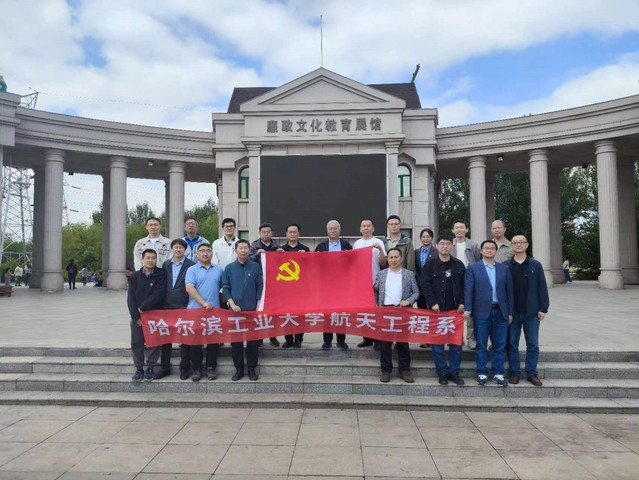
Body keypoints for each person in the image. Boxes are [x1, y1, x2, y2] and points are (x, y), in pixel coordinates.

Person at [463, 240, 514, 387]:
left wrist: (510, 312)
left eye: (492, 248)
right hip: (481, 312)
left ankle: (498, 373)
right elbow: (469, 289)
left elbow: (510, 291)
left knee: (499, 345)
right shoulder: (473, 268)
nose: (489, 250)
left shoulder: (504, 269)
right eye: (486, 248)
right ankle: (482, 372)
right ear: (481, 251)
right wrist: (468, 309)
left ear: (496, 251)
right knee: (481, 344)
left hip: (501, 311)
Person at [419, 234, 466, 386]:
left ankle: (454, 372)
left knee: (456, 345)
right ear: (437, 246)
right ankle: (442, 373)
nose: (445, 246)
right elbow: (425, 284)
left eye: (447, 244)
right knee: (438, 345)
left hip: (454, 312)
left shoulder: (459, 265)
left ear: (452, 246)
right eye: (442, 244)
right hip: (436, 312)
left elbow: (465, 286)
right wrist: (432, 302)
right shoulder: (430, 265)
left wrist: (462, 303)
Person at [507, 235, 550, 387]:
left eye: (521, 242)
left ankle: (532, 373)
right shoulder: (506, 266)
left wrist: (543, 308)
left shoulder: (535, 265)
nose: (518, 245)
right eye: (515, 242)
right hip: (513, 313)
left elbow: (542, 287)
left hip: (531, 312)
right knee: (512, 344)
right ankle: (514, 372)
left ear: (527, 245)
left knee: (533, 344)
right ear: (512, 246)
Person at [374, 248, 420, 383]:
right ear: (387, 259)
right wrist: (376, 303)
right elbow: (375, 290)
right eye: (391, 257)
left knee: (403, 343)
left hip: (402, 312)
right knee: (385, 344)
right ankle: (386, 371)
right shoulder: (381, 274)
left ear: (401, 258)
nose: (393, 260)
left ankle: (405, 370)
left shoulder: (409, 274)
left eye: (396, 257)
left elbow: (416, 292)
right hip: (385, 312)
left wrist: (409, 301)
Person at [223, 239, 263, 381]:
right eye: (240, 248)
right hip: (234, 310)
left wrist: (258, 304)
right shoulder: (229, 268)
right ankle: (239, 369)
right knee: (236, 341)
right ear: (236, 250)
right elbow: (225, 287)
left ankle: (251, 368)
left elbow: (260, 286)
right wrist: (232, 304)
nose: (243, 250)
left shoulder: (255, 266)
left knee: (253, 341)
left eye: (246, 248)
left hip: (252, 310)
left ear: (249, 250)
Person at [185, 243, 224, 382]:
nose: (205, 253)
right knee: (195, 342)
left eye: (208, 251)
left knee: (213, 342)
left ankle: (210, 367)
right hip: (195, 311)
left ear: (212, 253)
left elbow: (224, 289)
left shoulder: (219, 270)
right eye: (202, 251)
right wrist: (203, 303)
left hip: (214, 312)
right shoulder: (191, 270)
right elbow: (189, 288)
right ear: (197, 254)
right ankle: (197, 368)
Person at [127, 249, 167, 382]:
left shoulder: (161, 274)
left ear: (156, 259)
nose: (150, 260)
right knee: (136, 342)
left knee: (153, 342)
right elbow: (131, 297)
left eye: (153, 258)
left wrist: (142, 308)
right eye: (148, 258)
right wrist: (135, 315)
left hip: (154, 315)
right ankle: (139, 368)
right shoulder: (135, 276)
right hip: (138, 317)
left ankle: (150, 367)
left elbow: (159, 294)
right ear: (142, 260)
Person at [160, 238, 195, 380]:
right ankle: (165, 367)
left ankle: (184, 368)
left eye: (181, 247)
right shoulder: (166, 264)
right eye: (176, 247)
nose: (178, 250)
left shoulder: (191, 265)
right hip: (167, 306)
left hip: (184, 306)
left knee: (185, 339)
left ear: (185, 250)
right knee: (166, 339)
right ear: (172, 249)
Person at [315, 220, 353, 351]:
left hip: (342, 285)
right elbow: (315, 264)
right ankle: (327, 340)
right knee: (327, 313)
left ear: (339, 230)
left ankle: (341, 340)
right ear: (327, 231)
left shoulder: (346, 245)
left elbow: (352, 263)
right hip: (326, 286)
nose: (333, 231)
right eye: (330, 229)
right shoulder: (321, 246)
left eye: (335, 228)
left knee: (341, 313)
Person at [354, 218, 387, 350]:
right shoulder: (357, 243)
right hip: (361, 283)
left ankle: (377, 339)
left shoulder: (378, 242)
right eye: (363, 226)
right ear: (360, 229)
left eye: (368, 226)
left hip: (375, 281)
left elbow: (383, 262)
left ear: (373, 228)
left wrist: (380, 249)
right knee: (364, 312)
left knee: (376, 311)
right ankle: (367, 338)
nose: (366, 228)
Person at [249, 222, 281, 347]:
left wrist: (281, 254)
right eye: (263, 232)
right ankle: (259, 337)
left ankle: (273, 336)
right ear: (259, 233)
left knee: (273, 310)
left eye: (268, 232)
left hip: (274, 282)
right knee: (260, 309)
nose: (266, 234)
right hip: (259, 282)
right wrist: (256, 254)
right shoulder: (254, 246)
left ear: (271, 233)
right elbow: (248, 260)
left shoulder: (276, 245)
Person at [451, 219, 481, 348]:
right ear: (453, 230)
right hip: (454, 280)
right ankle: (457, 338)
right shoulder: (449, 244)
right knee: (455, 310)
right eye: (456, 227)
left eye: (462, 227)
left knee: (470, 310)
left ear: (466, 229)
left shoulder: (474, 245)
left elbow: (478, 261)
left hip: (470, 279)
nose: (459, 230)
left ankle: (471, 338)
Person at [280, 223, 310, 348]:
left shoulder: (305, 249)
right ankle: (288, 339)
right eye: (290, 232)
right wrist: (277, 256)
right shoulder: (281, 250)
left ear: (299, 234)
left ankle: (298, 339)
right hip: (285, 289)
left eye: (295, 232)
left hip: (300, 289)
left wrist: (306, 257)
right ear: (286, 234)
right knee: (286, 315)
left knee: (300, 315)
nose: (292, 234)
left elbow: (310, 268)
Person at [414, 228, 438, 309]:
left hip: (432, 283)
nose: (426, 239)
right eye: (423, 237)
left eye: (428, 236)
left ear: (432, 238)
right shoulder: (416, 252)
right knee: (421, 307)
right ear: (420, 238)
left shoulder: (437, 252)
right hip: (420, 283)